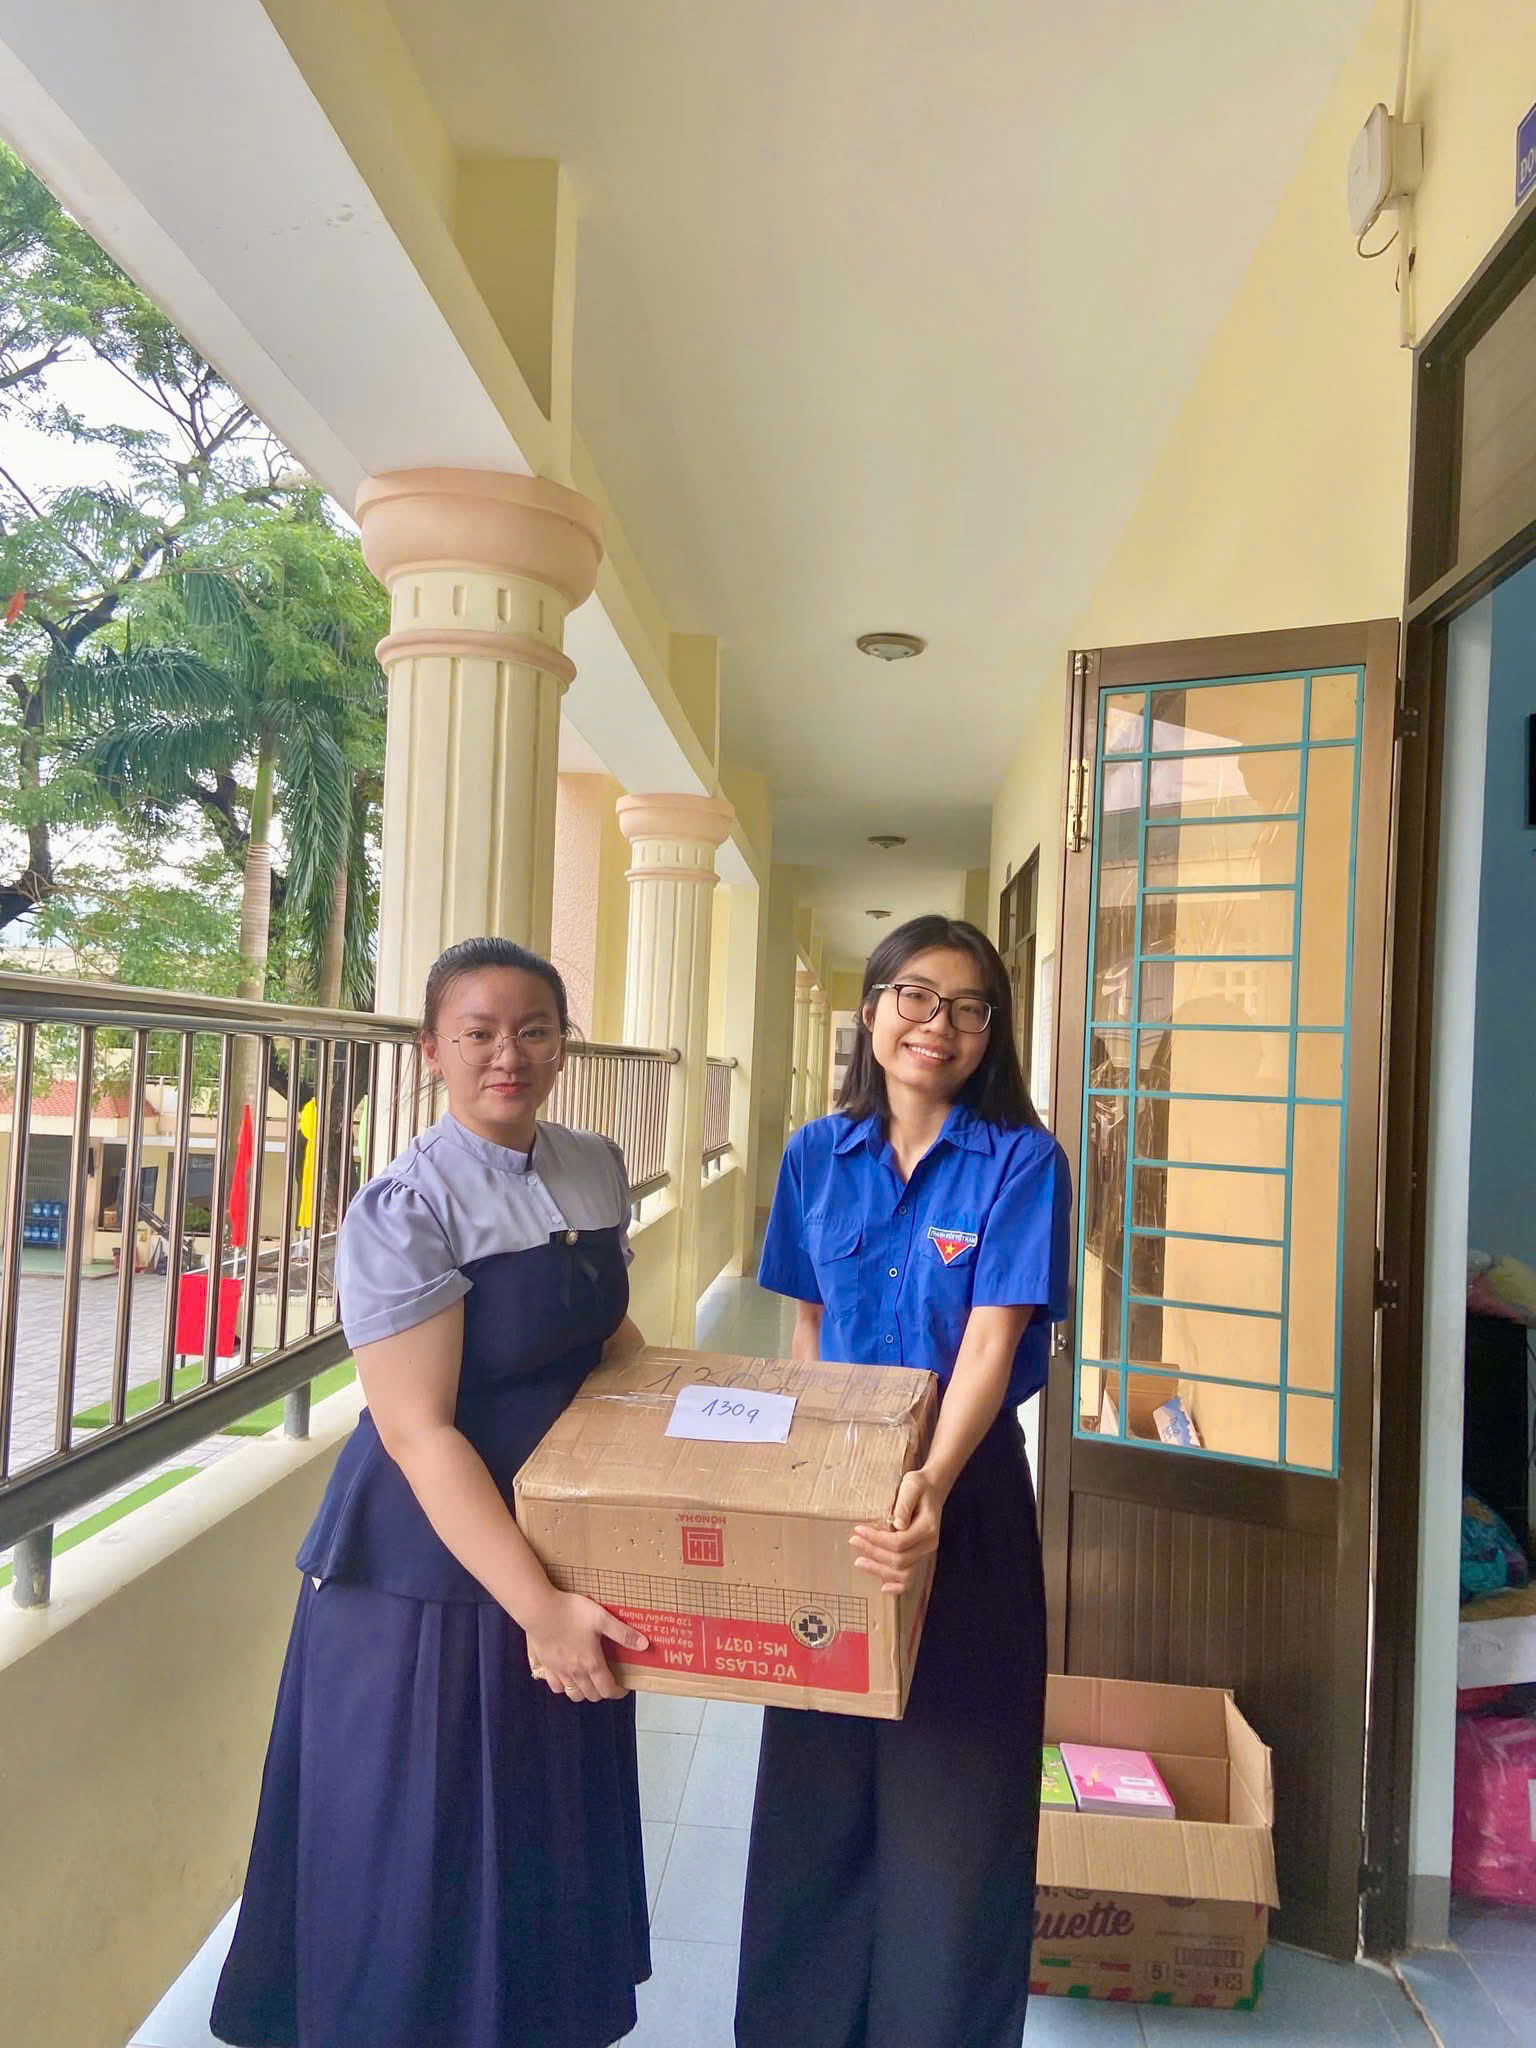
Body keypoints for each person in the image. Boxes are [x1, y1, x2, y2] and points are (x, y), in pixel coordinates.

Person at [212, 937, 653, 2048]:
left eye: (534, 1030)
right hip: (433, 1567)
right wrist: (538, 1608)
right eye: (478, 1033)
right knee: (424, 1844)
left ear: (564, 1045)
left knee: (541, 1831)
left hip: (562, 1528)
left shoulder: (595, 1163)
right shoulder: (405, 1204)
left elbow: (609, 1335)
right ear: (431, 1051)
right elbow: (417, 1431)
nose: (509, 1054)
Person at [734, 914, 1071, 2048]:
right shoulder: (813, 1153)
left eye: (970, 1008)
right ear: (873, 1010)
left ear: (992, 1032)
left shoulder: (1021, 1160)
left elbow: (991, 1341)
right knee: (818, 1782)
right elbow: (807, 1325)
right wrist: (811, 1476)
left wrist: (925, 1480)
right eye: (917, 996)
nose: (940, 1024)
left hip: (961, 1500)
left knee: (957, 1793)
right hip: (836, 1497)